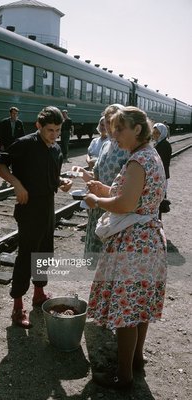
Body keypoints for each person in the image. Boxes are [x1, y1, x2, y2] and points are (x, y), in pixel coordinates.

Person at [84, 107, 167, 389]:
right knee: (139, 308)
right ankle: (136, 360)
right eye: (113, 128)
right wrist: (105, 188)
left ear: (138, 130)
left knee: (126, 312)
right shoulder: (148, 155)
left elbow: (125, 205)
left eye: (120, 129)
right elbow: (130, 195)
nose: (114, 134)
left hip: (133, 243)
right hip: (148, 241)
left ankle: (123, 376)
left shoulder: (137, 161)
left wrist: (97, 199)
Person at [0, 106, 72, 328]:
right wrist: (17, 184)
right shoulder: (25, 143)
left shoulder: (56, 148)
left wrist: (62, 183)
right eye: (50, 130)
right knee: (26, 255)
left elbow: (52, 177)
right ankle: (17, 307)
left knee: (45, 250)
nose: (54, 135)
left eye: (58, 130)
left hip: (48, 207)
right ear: (38, 126)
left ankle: (39, 293)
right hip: (28, 207)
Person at [72, 104, 129, 266]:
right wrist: (83, 175)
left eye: (112, 124)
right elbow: (96, 176)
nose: (109, 129)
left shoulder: (128, 149)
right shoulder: (105, 145)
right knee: (96, 260)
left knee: (110, 262)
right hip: (97, 208)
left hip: (114, 208)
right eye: (105, 123)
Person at [152, 122, 172, 219]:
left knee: (158, 201)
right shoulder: (159, 143)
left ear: (163, 133)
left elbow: (162, 163)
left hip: (161, 177)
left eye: (157, 133)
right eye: (154, 132)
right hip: (158, 176)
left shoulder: (164, 145)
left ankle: (158, 223)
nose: (155, 135)